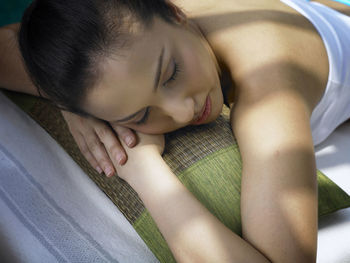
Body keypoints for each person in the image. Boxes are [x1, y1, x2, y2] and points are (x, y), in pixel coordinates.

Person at [1, 0, 350, 261]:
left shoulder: (268, 93)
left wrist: (141, 167)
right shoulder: (141, 28)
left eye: (171, 74)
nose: (183, 110)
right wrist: (70, 105)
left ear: (175, 13)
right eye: (141, 115)